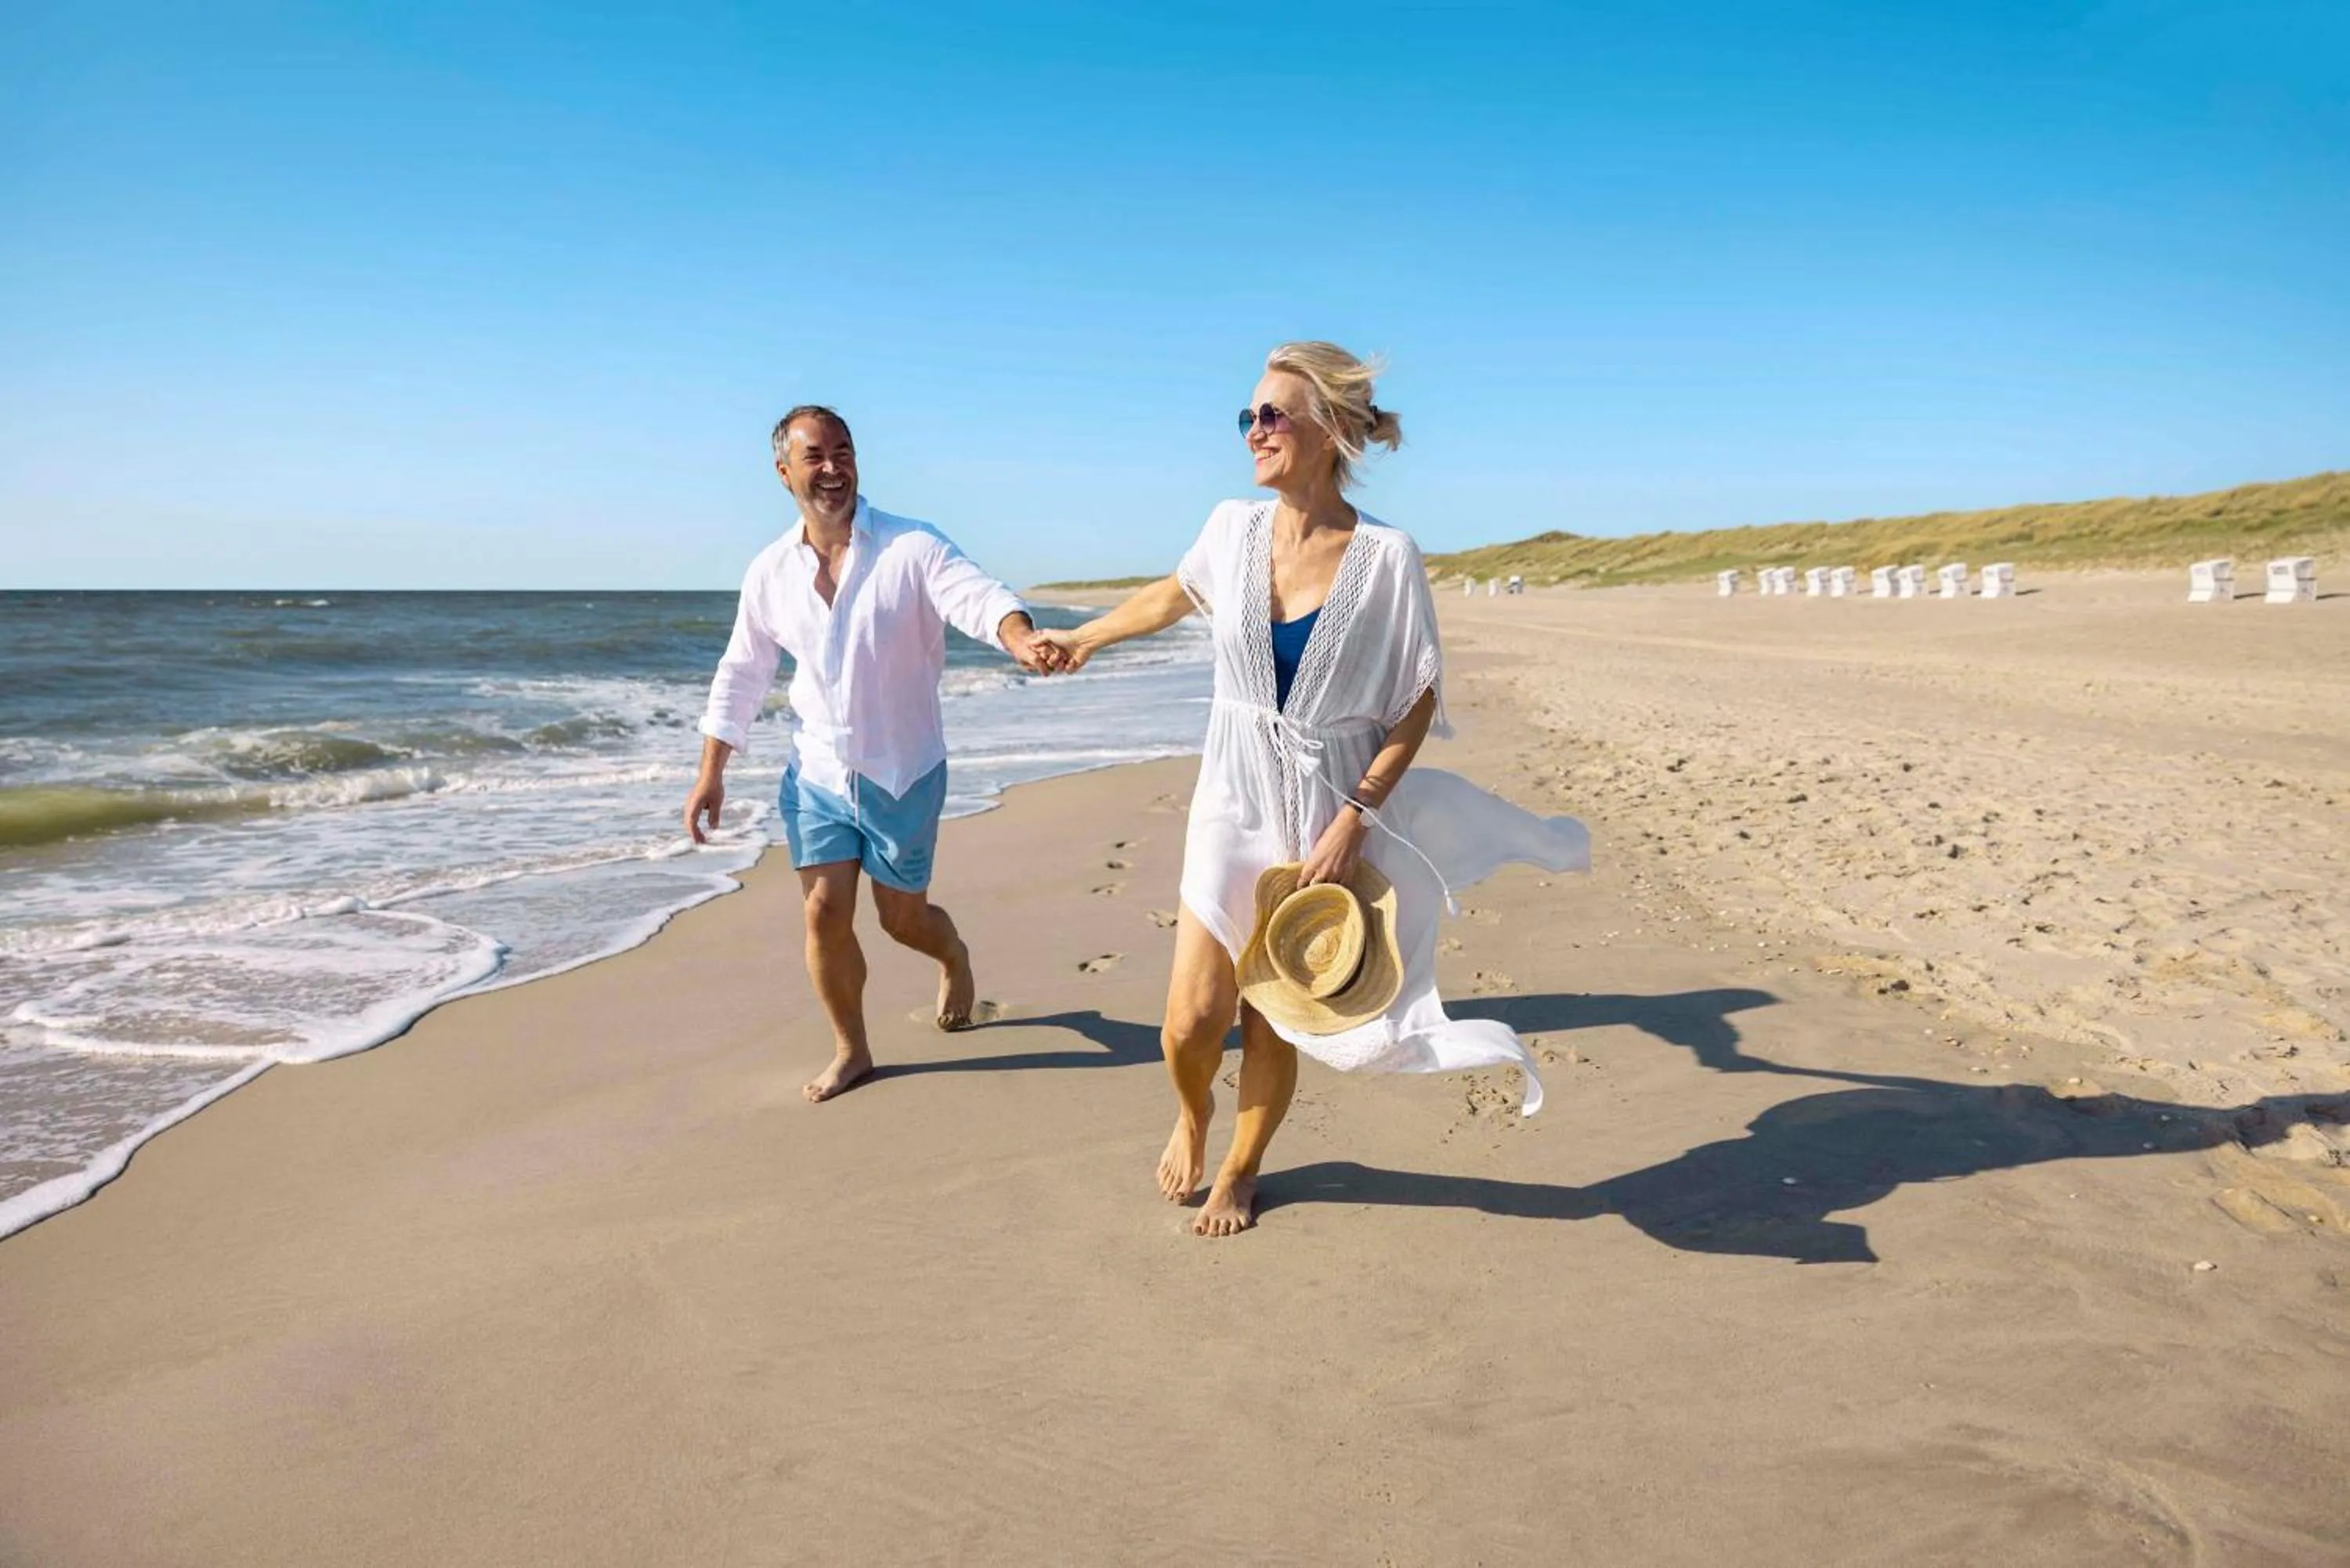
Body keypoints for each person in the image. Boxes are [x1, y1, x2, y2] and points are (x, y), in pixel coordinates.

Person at [1035, 343, 1589, 1237]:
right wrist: (1087, 637)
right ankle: (1192, 1113)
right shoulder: (1231, 530)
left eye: (1273, 415)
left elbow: (1415, 702)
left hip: (1330, 809)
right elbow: (1173, 594)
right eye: (1247, 416)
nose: (1254, 430)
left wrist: (1356, 818)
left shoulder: (1385, 557)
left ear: (1329, 432)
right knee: (1188, 1022)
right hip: (1233, 797)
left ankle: (1242, 1173)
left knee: (1272, 1015)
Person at [686, 405, 1061, 1103]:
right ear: (783, 472)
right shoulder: (770, 571)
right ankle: (852, 1049)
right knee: (823, 911)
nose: (833, 468)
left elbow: (973, 595)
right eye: (815, 456)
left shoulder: (910, 546)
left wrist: (1016, 636)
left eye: (844, 452)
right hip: (818, 773)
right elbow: (742, 671)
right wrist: (712, 772)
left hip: (904, 771)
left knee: (901, 919)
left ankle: (954, 956)